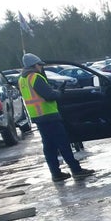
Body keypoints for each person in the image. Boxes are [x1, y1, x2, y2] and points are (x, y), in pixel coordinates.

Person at [18, 53, 94, 182]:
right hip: (49, 115)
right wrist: (59, 93)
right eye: (39, 65)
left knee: (49, 147)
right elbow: (49, 95)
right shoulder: (35, 77)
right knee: (63, 144)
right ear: (34, 65)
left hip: (38, 117)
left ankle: (56, 173)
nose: (41, 67)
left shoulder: (22, 79)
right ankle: (76, 170)